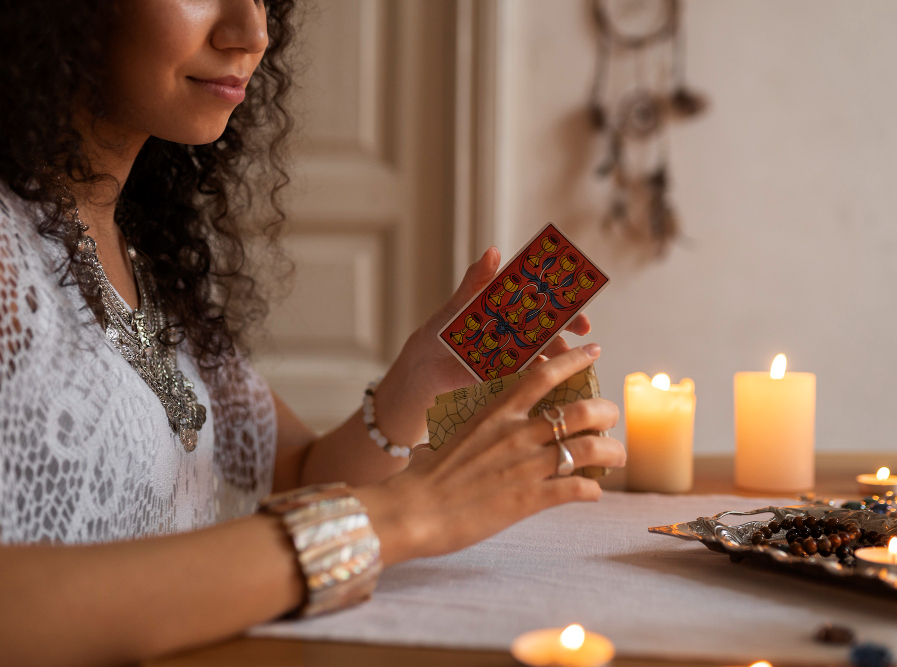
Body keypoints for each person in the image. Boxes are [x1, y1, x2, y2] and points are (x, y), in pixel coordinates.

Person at [0, 1, 626, 664]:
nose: (253, 33)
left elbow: (297, 473)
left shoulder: (133, 253)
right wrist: (407, 515)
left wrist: (418, 379)